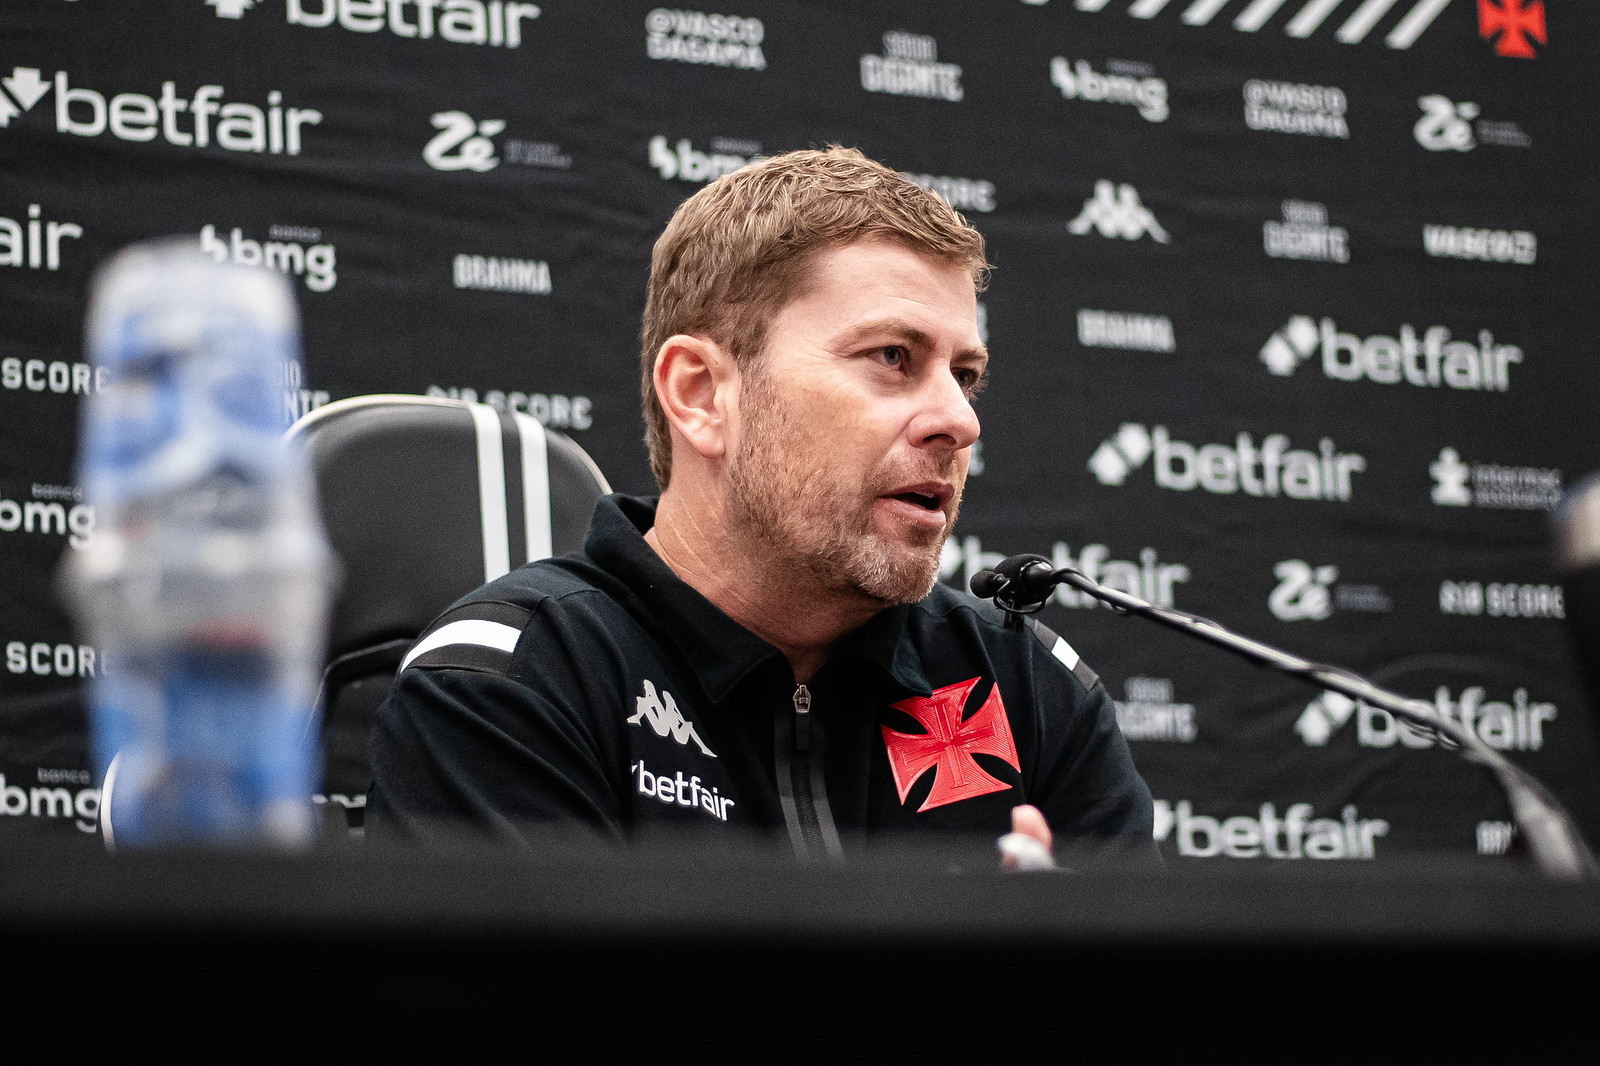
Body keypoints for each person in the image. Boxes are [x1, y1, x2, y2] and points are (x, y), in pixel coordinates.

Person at [368, 147, 1156, 866]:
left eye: (966, 373)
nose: (960, 420)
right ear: (703, 394)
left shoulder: (1025, 687)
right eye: (892, 357)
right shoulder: (513, 683)